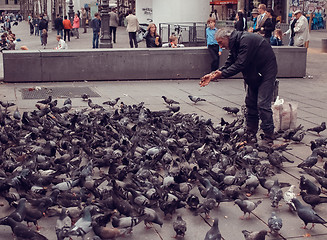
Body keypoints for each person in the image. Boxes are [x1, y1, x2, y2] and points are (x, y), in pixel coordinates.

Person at [200, 28, 278, 145]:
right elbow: (229, 62)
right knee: (250, 103)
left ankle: (269, 134)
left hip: (266, 72)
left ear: (227, 38)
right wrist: (213, 74)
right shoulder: (235, 44)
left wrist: (221, 74)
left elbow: (240, 64)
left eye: (221, 43)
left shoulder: (245, 40)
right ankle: (251, 132)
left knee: (262, 104)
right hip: (253, 73)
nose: (221, 46)